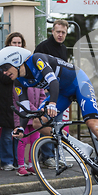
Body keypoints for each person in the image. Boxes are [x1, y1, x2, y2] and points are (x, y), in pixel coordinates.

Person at [0, 47, 98, 186]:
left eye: (6, 67)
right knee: (37, 123)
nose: (4, 72)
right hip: (62, 93)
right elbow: (25, 109)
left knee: (92, 123)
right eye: (1, 69)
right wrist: (21, 128)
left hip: (78, 83)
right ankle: (81, 146)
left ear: (16, 60)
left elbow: (53, 82)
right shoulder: (18, 82)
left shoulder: (36, 59)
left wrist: (52, 103)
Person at [34, 19, 69, 168]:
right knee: (46, 123)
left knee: (57, 125)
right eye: (58, 32)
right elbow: (35, 69)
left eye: (63, 32)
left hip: (60, 93)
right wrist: (46, 89)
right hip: (46, 93)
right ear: (53, 31)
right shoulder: (43, 47)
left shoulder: (64, 49)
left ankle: (56, 156)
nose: (60, 35)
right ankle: (47, 156)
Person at [0, 32, 26, 171]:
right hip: (6, 102)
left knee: (19, 133)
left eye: (19, 43)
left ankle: (18, 160)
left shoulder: (25, 59)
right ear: (8, 44)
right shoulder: (3, 59)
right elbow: (6, 79)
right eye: (14, 42)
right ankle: (6, 162)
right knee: (7, 134)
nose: (17, 45)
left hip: (20, 101)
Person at [14, 87, 45, 176]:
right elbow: (20, 99)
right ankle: (21, 166)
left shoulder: (37, 80)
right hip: (23, 115)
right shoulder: (20, 82)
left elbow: (42, 96)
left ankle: (32, 164)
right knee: (22, 141)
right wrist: (36, 110)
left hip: (36, 116)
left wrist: (40, 108)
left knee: (35, 141)